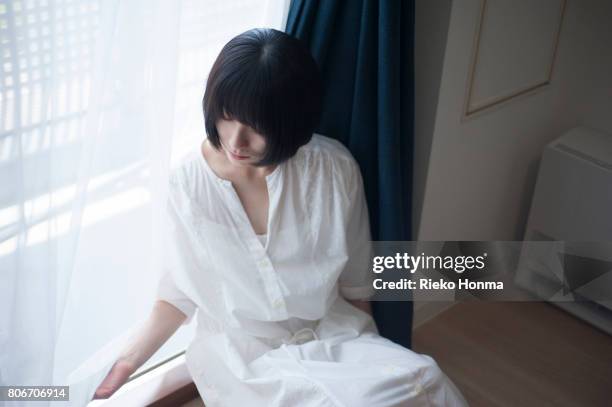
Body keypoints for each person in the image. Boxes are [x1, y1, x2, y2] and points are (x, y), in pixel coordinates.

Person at [93, 28, 468, 406]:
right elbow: (178, 294)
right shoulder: (189, 183)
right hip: (246, 359)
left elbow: (356, 285)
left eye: (256, 127)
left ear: (292, 122)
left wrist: (371, 358)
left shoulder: (333, 169)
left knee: (426, 380)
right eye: (226, 117)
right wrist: (124, 365)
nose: (236, 141)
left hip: (334, 335)